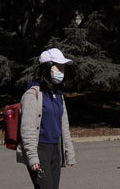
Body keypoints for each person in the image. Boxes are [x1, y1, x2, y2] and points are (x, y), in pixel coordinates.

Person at [18, 48, 76, 189]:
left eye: (63, 68)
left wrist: (69, 152)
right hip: (40, 150)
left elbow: (64, 125)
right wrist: (32, 156)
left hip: (55, 149)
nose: (61, 71)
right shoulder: (33, 95)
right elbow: (27, 128)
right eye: (58, 67)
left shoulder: (58, 94)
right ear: (47, 68)